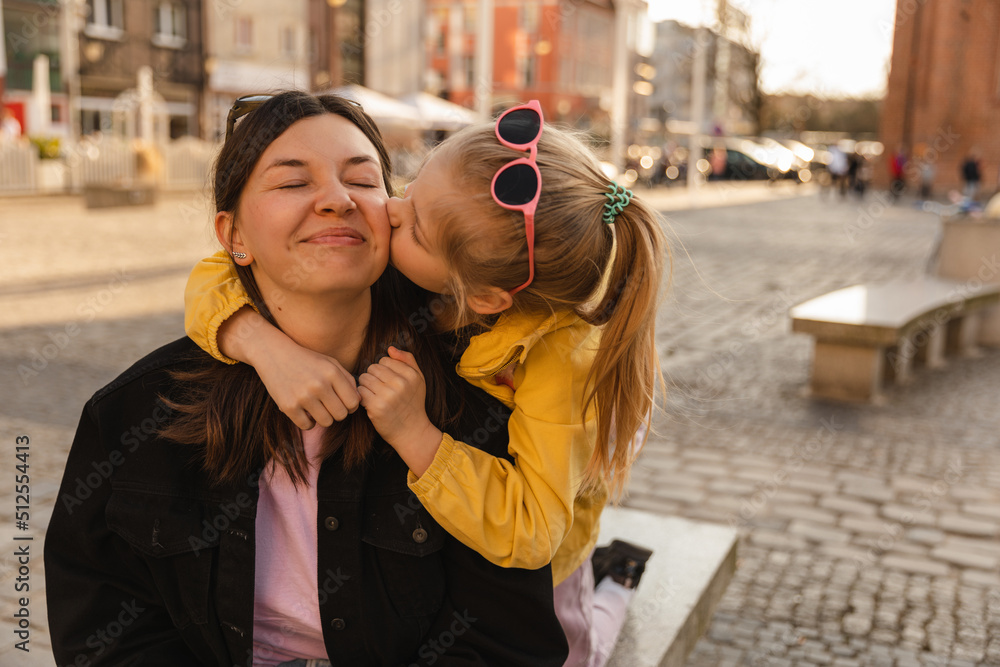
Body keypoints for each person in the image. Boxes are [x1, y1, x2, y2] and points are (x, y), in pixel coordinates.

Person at [43, 91, 569, 667]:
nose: (337, 200)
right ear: (233, 236)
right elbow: (103, 625)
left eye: (363, 180)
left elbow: (504, 642)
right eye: (294, 183)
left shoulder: (472, 401)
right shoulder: (137, 412)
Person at [183, 99, 667, 666]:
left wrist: (416, 435)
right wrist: (263, 346)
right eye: (406, 188)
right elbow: (224, 266)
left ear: (481, 299)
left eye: (412, 222)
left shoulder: (563, 358)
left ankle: (619, 581)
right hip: (463, 546)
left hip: (545, 570)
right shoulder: (438, 262)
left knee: (575, 652)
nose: (389, 209)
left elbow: (533, 533)